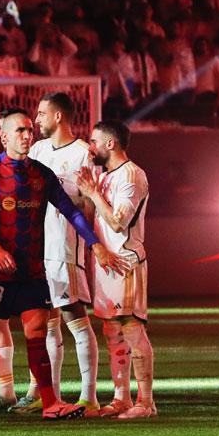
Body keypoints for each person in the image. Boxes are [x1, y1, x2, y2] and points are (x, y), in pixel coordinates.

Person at [0, 109, 128, 421]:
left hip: (32, 268)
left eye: (28, 130)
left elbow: (70, 211)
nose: (26, 135)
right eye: (19, 130)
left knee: (37, 330)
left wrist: (95, 244)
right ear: (3, 136)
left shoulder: (41, 174)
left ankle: (50, 403)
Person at [20, 92, 102, 416]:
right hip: (36, 249)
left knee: (75, 319)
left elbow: (90, 207)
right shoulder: (38, 150)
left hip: (63, 248)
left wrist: (67, 196)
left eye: (41, 114)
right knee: (46, 324)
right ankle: (49, 396)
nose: (36, 120)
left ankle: (89, 397)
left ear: (57, 117)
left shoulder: (84, 154)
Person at [76, 121, 154, 419]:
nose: (90, 146)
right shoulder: (106, 176)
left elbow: (120, 222)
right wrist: (88, 194)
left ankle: (145, 402)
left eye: (94, 141)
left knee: (132, 328)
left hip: (126, 262)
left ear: (111, 144)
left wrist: (94, 194)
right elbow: (96, 217)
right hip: (106, 263)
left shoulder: (132, 176)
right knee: (112, 331)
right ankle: (121, 397)